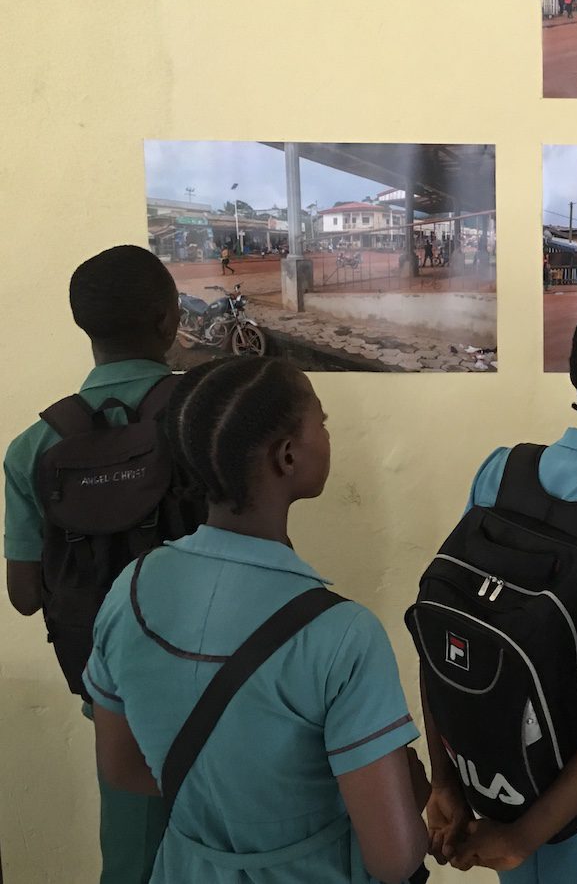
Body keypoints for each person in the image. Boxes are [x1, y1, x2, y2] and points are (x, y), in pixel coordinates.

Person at [84, 356, 431, 883]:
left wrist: (228, 804)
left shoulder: (130, 590)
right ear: (287, 455)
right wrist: (410, 796)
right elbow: (394, 859)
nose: (328, 433)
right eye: (322, 421)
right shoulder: (342, 635)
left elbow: (124, 768)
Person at [425, 305, 577, 882]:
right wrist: (523, 837)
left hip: (498, 787)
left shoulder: (500, 470)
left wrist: (448, 780)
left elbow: (447, 623)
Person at [4, 246, 200, 884]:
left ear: (83, 326)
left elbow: (26, 594)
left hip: (108, 689)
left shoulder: (33, 446)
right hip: (222, 677)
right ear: (169, 321)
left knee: (132, 848)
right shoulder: (206, 418)